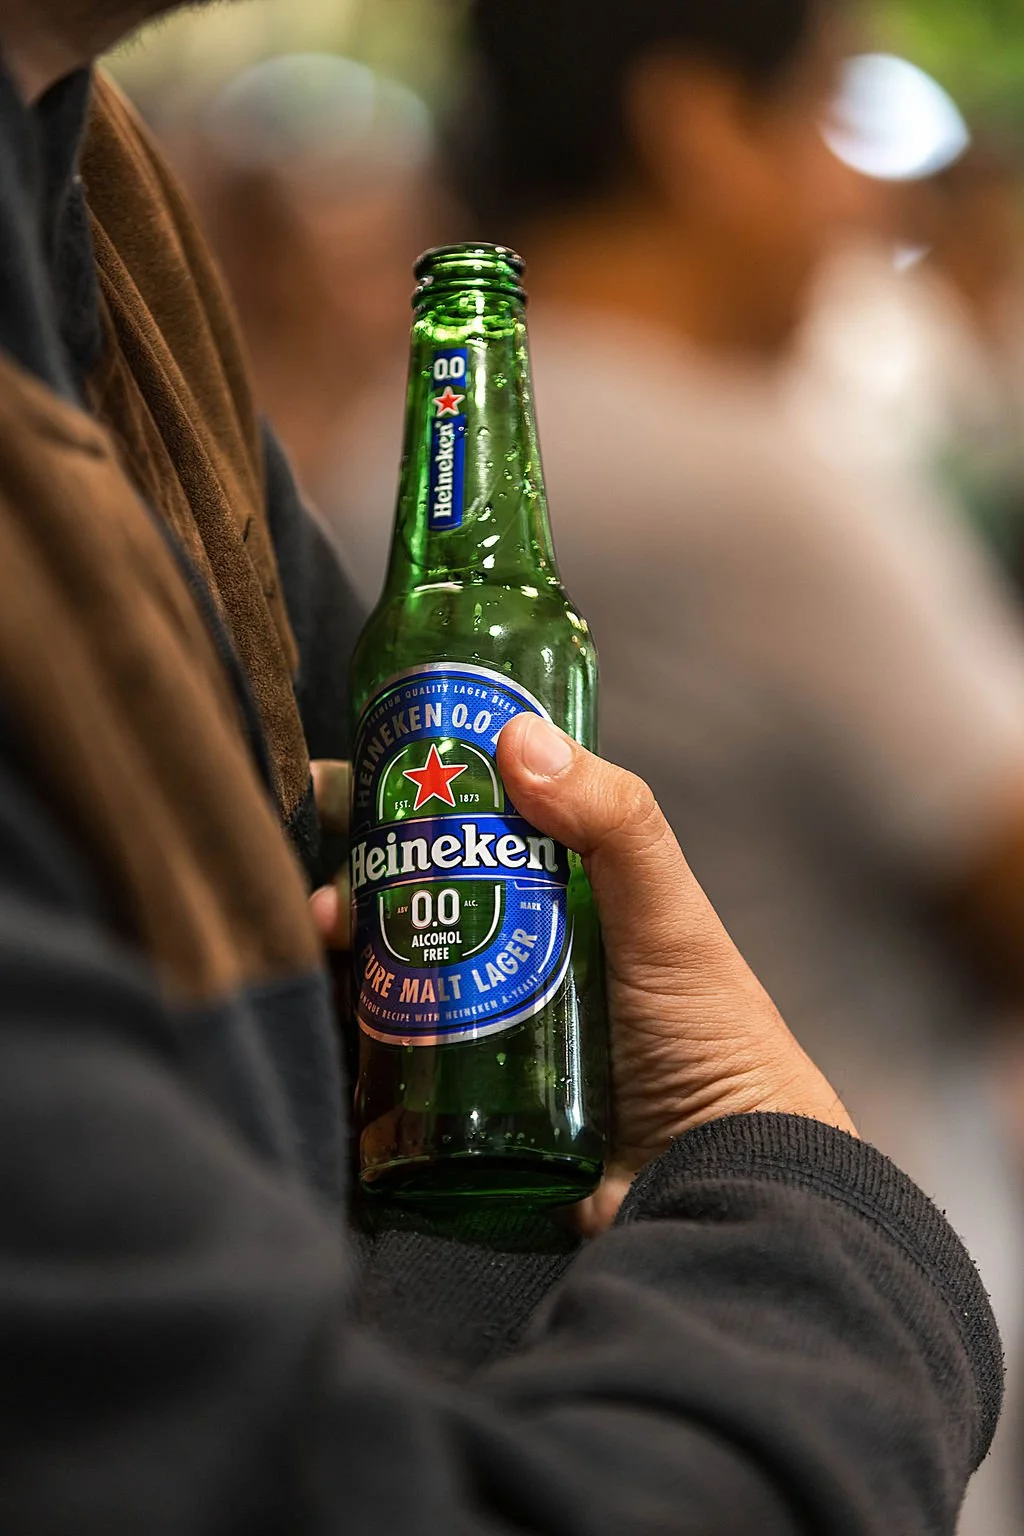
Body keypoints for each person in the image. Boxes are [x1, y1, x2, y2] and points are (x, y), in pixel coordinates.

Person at [0, 2, 1002, 1531]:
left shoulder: (103, 227)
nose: (864, 184)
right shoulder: (758, 484)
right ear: (696, 129)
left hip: (608, 1302)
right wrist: (804, 1190)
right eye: (825, 113)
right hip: (708, 1353)